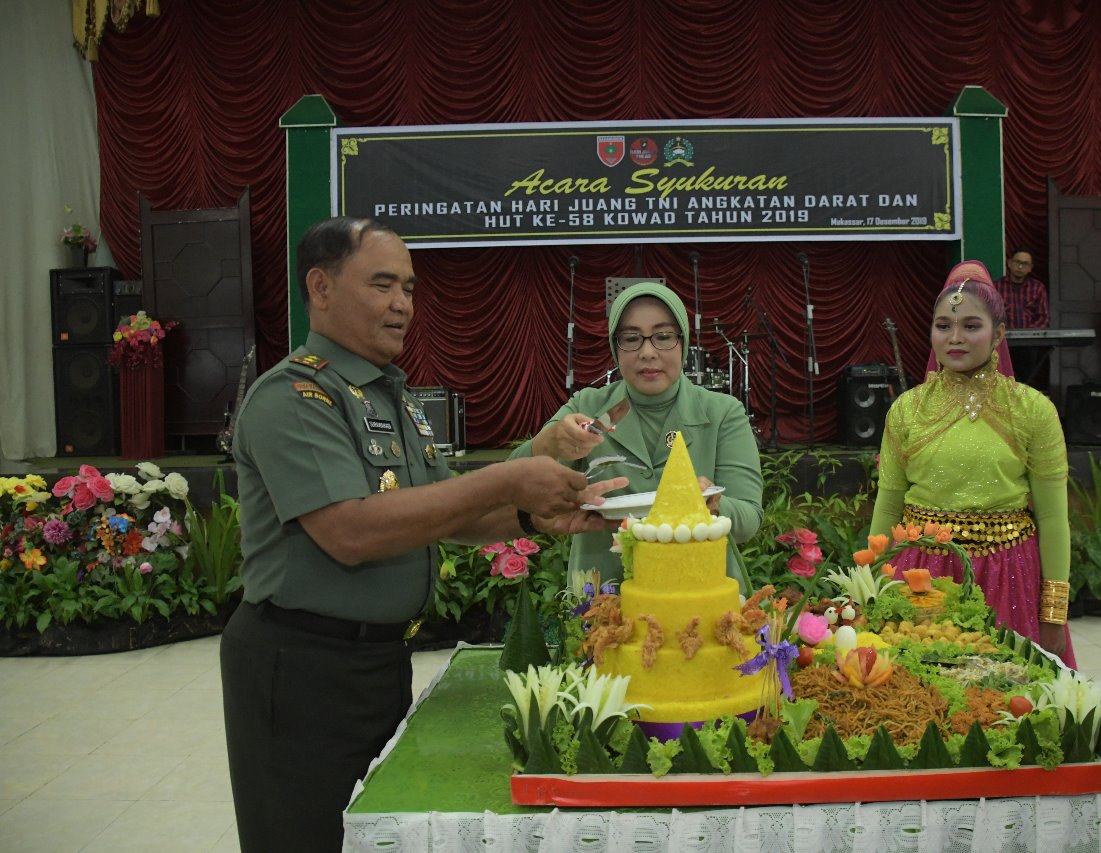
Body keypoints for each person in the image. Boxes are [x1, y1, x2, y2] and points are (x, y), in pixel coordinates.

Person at [220, 217, 625, 853]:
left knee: (372, 830)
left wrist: (539, 515)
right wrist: (508, 480)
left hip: (377, 662)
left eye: (409, 288)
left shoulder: (390, 400)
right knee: (303, 836)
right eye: (383, 285)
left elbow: (447, 516)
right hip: (299, 671)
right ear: (320, 287)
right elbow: (348, 531)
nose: (403, 304)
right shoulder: (293, 399)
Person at [869, 261, 1075, 668]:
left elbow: (1053, 517)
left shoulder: (1032, 410)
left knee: (1004, 695)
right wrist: (868, 585)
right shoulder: (907, 409)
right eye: (943, 325)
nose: (955, 338)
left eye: (971, 326)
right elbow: (888, 506)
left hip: (1008, 573)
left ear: (999, 334)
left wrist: (1054, 610)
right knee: (919, 698)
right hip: (919, 575)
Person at [509, 281, 763, 593]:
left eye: (663, 337)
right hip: (603, 596)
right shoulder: (587, 407)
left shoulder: (722, 412)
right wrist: (547, 444)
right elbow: (513, 484)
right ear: (615, 347)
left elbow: (749, 518)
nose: (647, 352)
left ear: (683, 342)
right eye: (631, 339)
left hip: (701, 595)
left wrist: (713, 506)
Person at [993, 246, 1049, 329]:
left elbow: (1043, 317)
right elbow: (988, 315)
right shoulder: (996, 287)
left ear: (1030, 268)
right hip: (1003, 338)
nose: (1020, 267)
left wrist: (1029, 333)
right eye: (1017, 262)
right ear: (1009, 263)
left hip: (1031, 338)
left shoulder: (1038, 288)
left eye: (1025, 264)